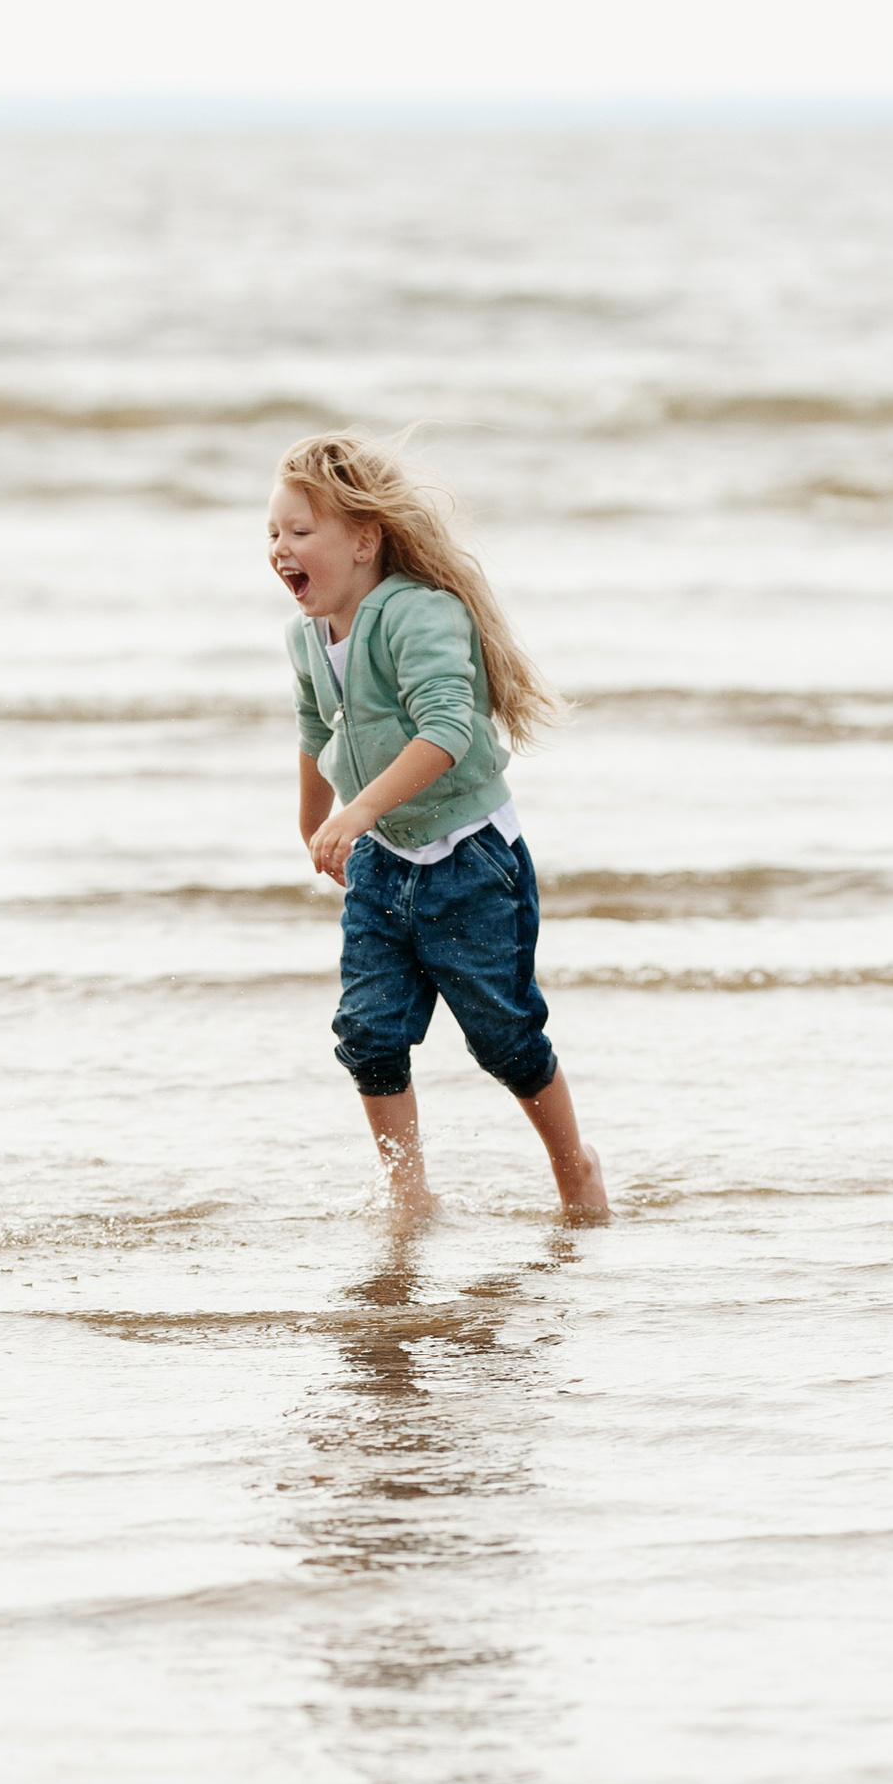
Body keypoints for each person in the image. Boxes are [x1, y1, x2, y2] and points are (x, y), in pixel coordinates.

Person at [268, 429, 607, 1223]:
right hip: (383, 863)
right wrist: (313, 821)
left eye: (300, 531)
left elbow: (447, 732)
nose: (282, 549)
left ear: (364, 539)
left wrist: (358, 809)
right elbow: (315, 732)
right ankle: (409, 1192)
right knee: (369, 1031)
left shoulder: (420, 615)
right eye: (273, 534)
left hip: (470, 862)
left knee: (506, 1037)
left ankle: (573, 1163)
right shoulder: (304, 638)